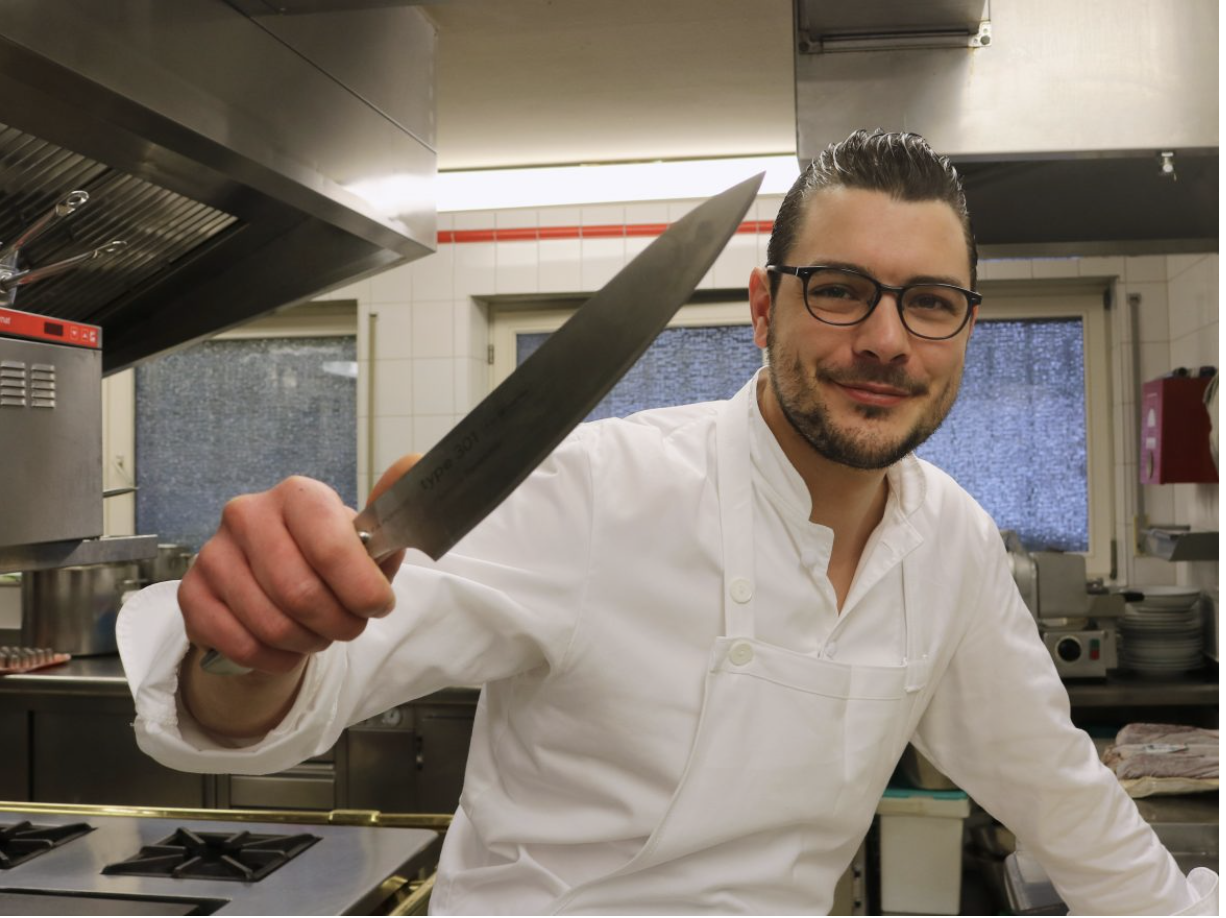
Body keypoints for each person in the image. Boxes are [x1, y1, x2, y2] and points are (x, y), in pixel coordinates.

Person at [118, 130, 1217, 915]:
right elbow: (287, 701)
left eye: (928, 302)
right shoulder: (596, 487)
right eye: (839, 288)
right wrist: (248, 644)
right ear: (762, 308)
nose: (886, 340)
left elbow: (1063, 799)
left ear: (964, 328)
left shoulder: (955, 547)